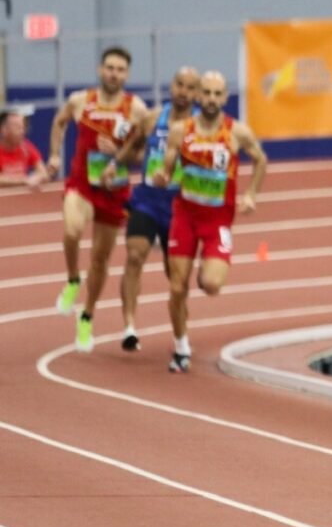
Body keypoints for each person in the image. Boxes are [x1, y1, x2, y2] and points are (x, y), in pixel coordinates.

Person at [151, 71, 267, 373]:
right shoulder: (180, 130)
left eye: (218, 94)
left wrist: (251, 194)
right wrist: (163, 176)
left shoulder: (236, 132)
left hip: (217, 222)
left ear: (225, 98)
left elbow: (260, 159)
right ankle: (180, 346)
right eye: (207, 93)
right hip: (185, 217)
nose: (212, 99)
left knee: (212, 285)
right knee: (177, 288)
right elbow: (167, 167)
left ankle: (206, 267)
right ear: (198, 97)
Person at [48, 46, 149, 352]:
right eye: (109, 67)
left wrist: (118, 154)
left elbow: (144, 155)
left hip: (114, 190)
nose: (114, 73)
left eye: (120, 69)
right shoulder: (81, 101)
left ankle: (87, 315)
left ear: (127, 74)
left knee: (100, 260)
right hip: (81, 184)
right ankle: (72, 279)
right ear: (99, 69)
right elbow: (59, 121)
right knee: (72, 230)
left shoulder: (137, 110)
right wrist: (54, 154)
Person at [118, 67, 200, 351]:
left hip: (179, 208)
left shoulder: (200, 127)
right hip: (147, 200)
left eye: (190, 88)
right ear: (171, 86)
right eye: (179, 85)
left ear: (197, 94)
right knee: (135, 254)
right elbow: (131, 150)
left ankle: (181, 333)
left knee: (176, 277)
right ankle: (129, 326)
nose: (183, 92)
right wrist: (115, 164)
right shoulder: (152, 118)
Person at [0, 110, 49, 189]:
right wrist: (23, 180)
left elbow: (44, 173)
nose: (22, 132)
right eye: (17, 128)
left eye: (23, 128)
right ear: (4, 130)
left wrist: (36, 178)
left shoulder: (26, 147)